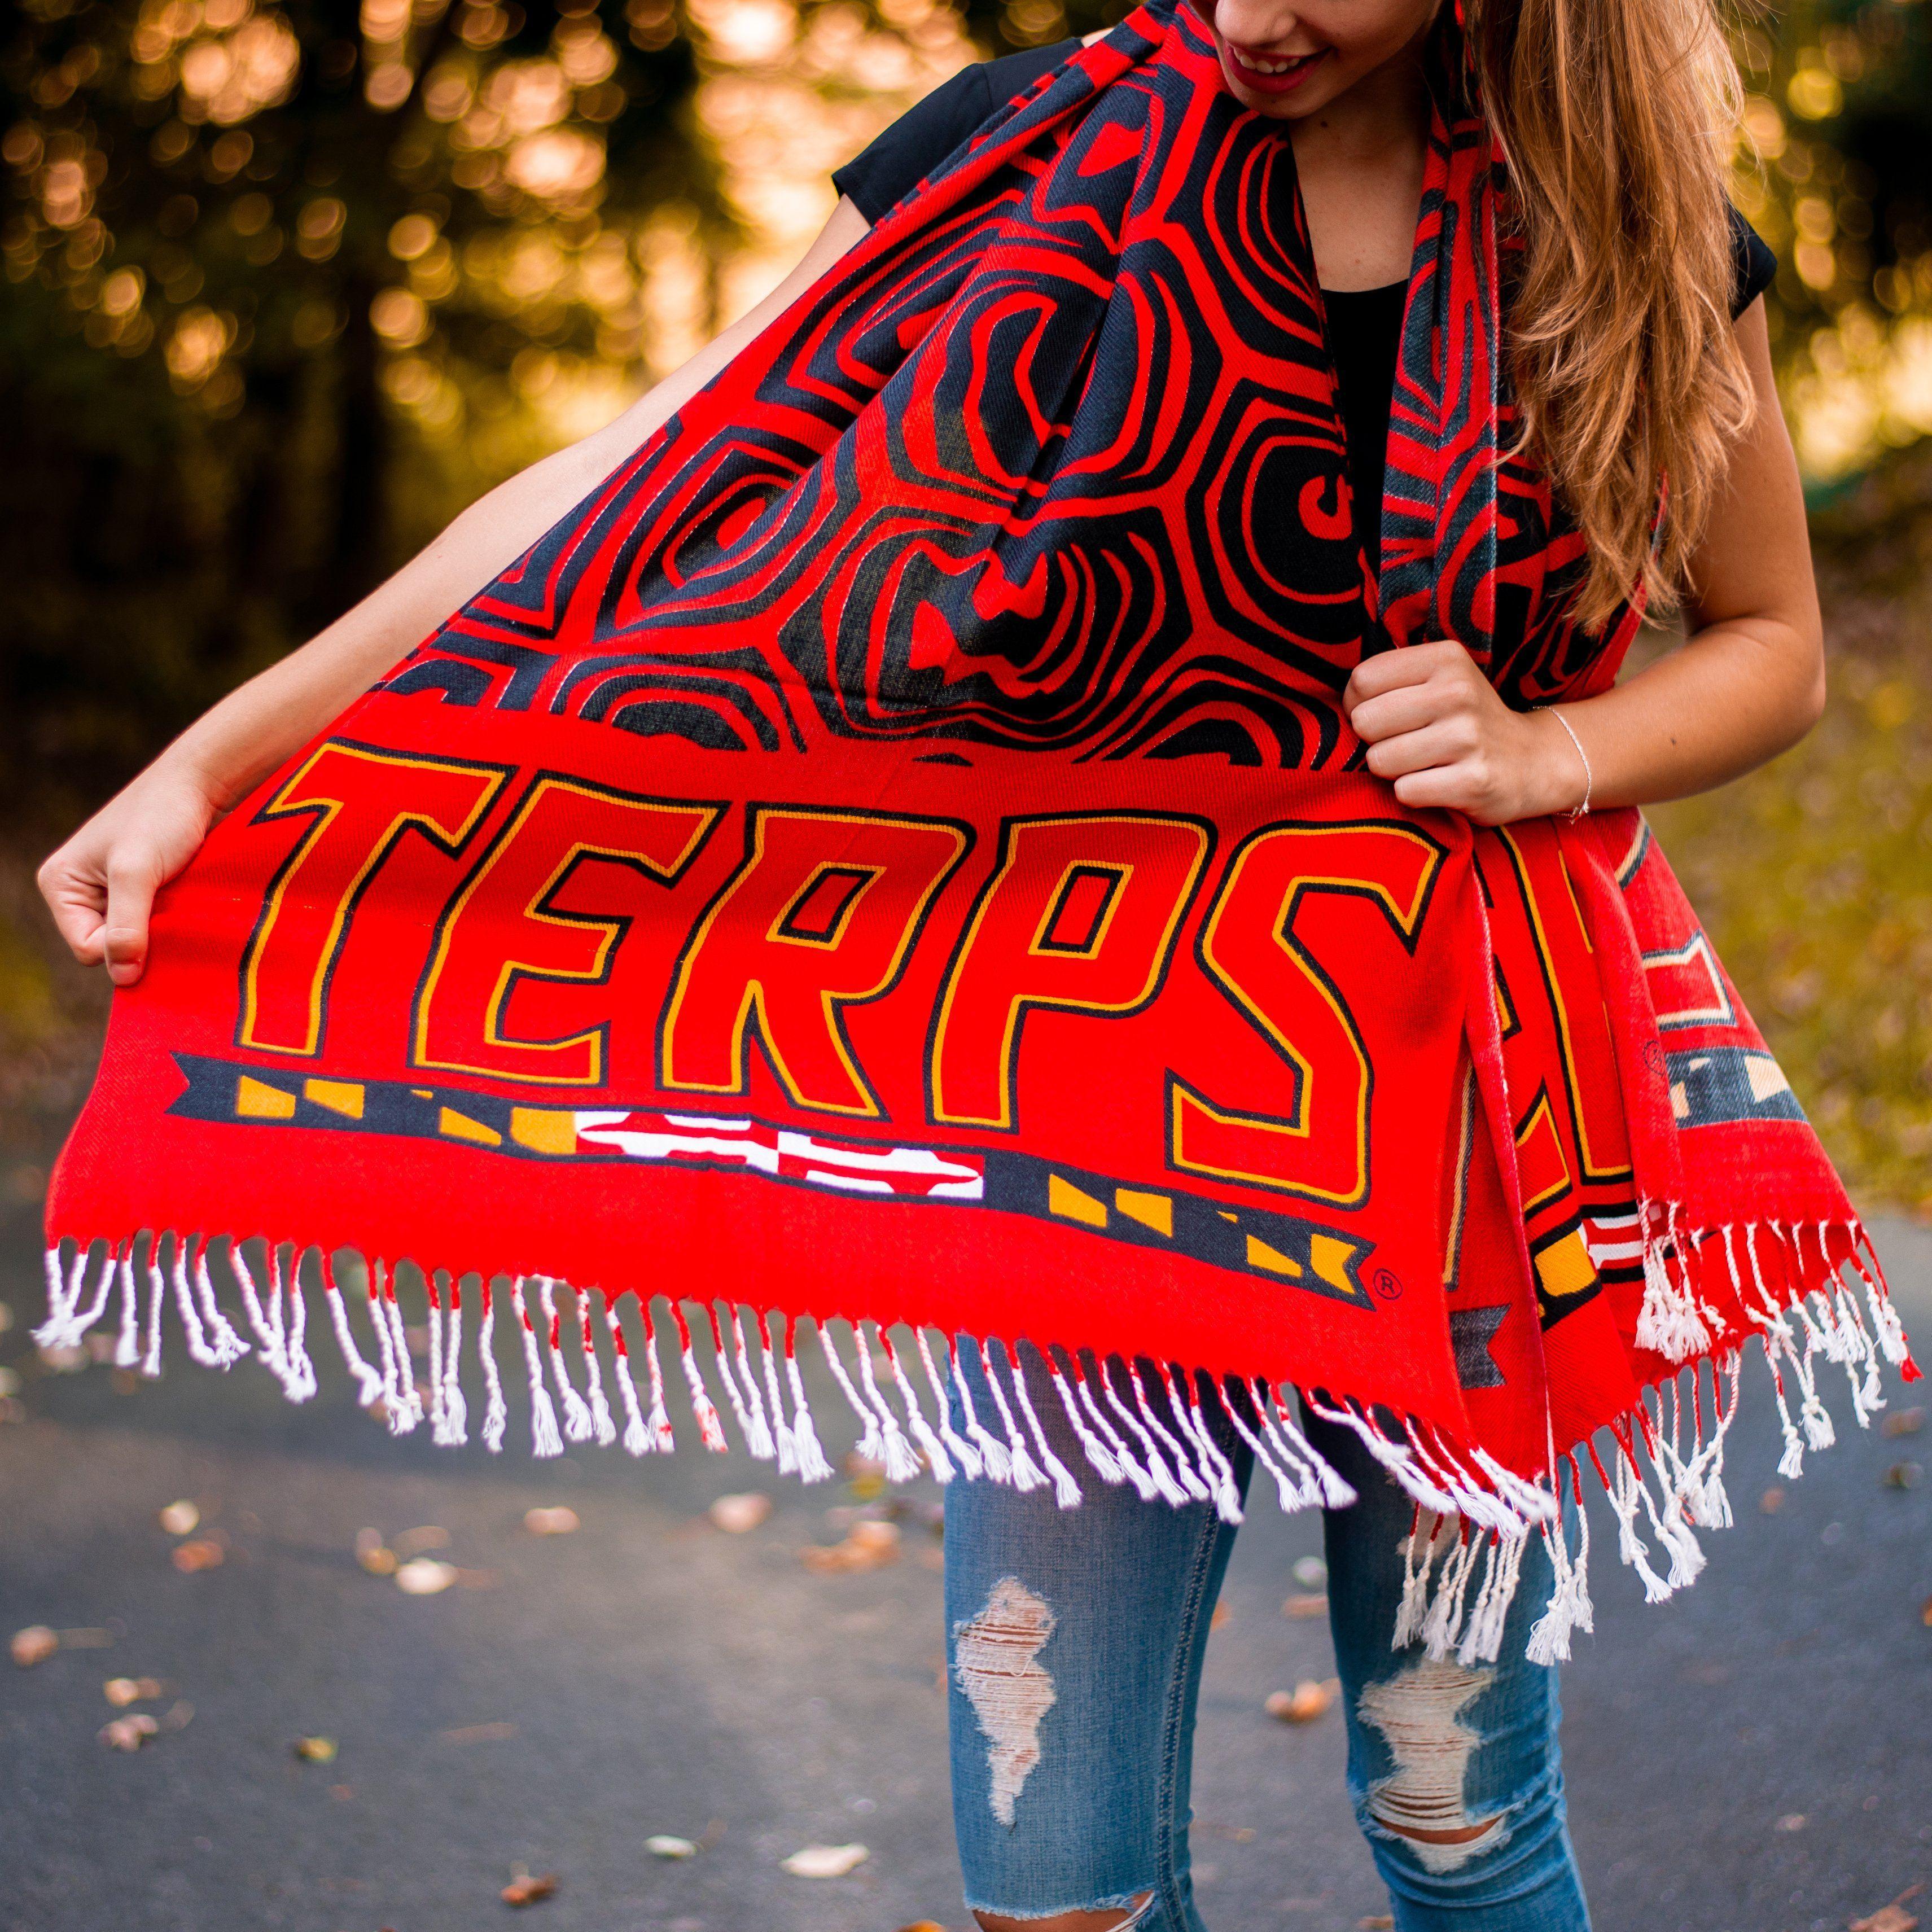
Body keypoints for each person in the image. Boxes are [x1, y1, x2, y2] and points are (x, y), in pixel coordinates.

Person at [38, 0, 1823, 1927]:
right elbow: (629, 481)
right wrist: (212, 760)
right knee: (1053, 1881)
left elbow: (1772, 637)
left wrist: (1555, 748)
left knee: (1459, 1815)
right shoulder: (1008, 158)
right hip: (1098, 1093)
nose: (1252, 12)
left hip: (1473, 1101)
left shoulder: (1621, 226)